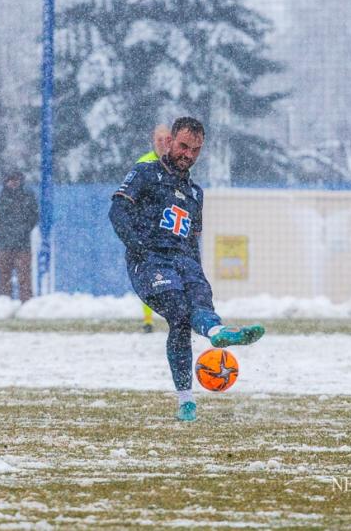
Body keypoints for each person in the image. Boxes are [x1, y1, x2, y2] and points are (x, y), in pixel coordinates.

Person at [109, 116, 265, 422]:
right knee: (178, 311)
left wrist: (197, 272)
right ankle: (188, 390)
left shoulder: (196, 194)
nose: (188, 155)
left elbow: (193, 240)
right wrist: (138, 247)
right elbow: (117, 210)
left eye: (195, 150)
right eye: (183, 146)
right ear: (170, 142)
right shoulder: (145, 173)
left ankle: (215, 341)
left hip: (185, 261)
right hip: (151, 260)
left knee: (199, 305)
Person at [137, 124, 172, 332]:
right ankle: (148, 320)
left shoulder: (178, 164)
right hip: (149, 230)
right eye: (158, 139)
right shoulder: (144, 163)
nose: (162, 142)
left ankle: (176, 317)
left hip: (171, 231)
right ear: (153, 140)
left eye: (166, 139)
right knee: (150, 275)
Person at [0, 170, 39, 302]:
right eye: (10, 180)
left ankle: (27, 304)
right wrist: (2, 233)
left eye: (15, 180)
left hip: (22, 244)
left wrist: (22, 231)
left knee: (24, 277)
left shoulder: (27, 196)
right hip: (5, 244)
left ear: (20, 181)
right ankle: (4, 303)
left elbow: (33, 217)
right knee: (3, 277)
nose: (13, 183)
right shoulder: (2, 197)